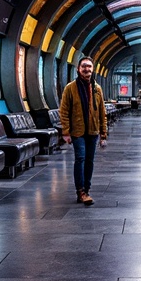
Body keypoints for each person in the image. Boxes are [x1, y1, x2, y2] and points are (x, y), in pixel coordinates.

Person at [59, 56, 108, 205]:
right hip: (77, 131)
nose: (86, 69)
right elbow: (64, 111)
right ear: (78, 69)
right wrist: (66, 132)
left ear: (93, 70)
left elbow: (101, 111)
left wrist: (103, 133)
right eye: (83, 66)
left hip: (92, 131)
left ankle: (87, 188)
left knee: (89, 161)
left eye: (89, 67)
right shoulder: (70, 88)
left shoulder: (97, 88)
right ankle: (80, 191)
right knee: (80, 158)